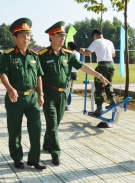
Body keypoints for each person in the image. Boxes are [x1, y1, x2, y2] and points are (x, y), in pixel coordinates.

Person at [39, 21, 110, 166]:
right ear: (51, 36)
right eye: (59, 35)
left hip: (63, 94)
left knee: (56, 123)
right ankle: (55, 153)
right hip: (48, 93)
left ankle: (47, 144)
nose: (62, 38)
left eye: (63, 35)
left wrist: (99, 75)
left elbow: (83, 66)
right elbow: (36, 74)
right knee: (52, 123)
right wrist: (38, 93)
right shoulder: (43, 55)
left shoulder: (69, 55)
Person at [0, 18, 46, 170]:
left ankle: (34, 159)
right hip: (15, 97)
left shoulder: (34, 56)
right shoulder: (8, 55)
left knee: (36, 129)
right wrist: (10, 89)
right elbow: (3, 74)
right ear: (14, 38)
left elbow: (39, 75)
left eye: (28, 35)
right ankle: (17, 158)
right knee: (14, 130)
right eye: (22, 35)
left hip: (32, 97)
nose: (26, 38)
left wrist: (41, 94)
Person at [79, 28, 116, 116]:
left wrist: (82, 51)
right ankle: (112, 100)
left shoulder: (96, 41)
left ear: (95, 35)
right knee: (108, 83)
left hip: (102, 65)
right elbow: (113, 54)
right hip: (111, 65)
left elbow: (88, 53)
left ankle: (99, 108)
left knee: (99, 87)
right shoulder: (109, 42)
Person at [65, 41, 80, 111]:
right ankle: (67, 104)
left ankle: (66, 104)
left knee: (66, 88)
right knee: (69, 88)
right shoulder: (77, 53)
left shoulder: (69, 53)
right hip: (75, 72)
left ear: (69, 47)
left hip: (69, 72)